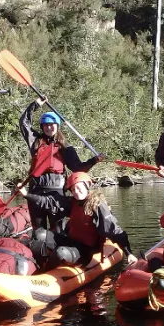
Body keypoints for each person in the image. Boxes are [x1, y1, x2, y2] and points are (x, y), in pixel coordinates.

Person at [19, 97, 104, 228]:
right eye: (45, 125)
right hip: (36, 189)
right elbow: (24, 122)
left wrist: (94, 160)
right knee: (39, 231)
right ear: (42, 126)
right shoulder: (35, 141)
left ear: (57, 126)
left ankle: (59, 247)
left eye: (51, 124)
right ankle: (39, 247)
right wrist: (35, 104)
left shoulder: (65, 147)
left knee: (58, 229)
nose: (48, 127)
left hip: (56, 191)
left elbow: (77, 168)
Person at [21, 171, 136, 267]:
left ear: (87, 186)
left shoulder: (98, 205)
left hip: (87, 250)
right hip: (72, 241)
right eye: (73, 189)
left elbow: (113, 229)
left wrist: (128, 253)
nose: (76, 192)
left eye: (79, 188)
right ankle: (40, 265)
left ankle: (50, 270)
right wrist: (27, 195)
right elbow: (49, 202)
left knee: (60, 253)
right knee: (39, 234)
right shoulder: (73, 202)